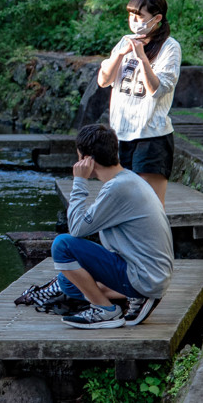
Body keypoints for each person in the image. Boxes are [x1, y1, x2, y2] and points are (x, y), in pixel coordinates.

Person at [28, 124, 173, 329]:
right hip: (149, 274)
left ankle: (105, 310)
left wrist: (79, 181)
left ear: (87, 159)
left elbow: (76, 229)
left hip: (144, 277)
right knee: (68, 281)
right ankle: (133, 297)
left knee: (62, 245)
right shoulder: (127, 180)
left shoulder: (118, 188)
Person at [96, 0, 181, 206]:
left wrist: (142, 58)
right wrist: (120, 54)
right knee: (122, 204)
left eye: (139, 16)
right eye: (131, 16)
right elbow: (104, 80)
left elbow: (157, 89)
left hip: (151, 135)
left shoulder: (170, 47)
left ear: (157, 18)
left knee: (149, 205)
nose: (133, 22)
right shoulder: (125, 41)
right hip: (121, 134)